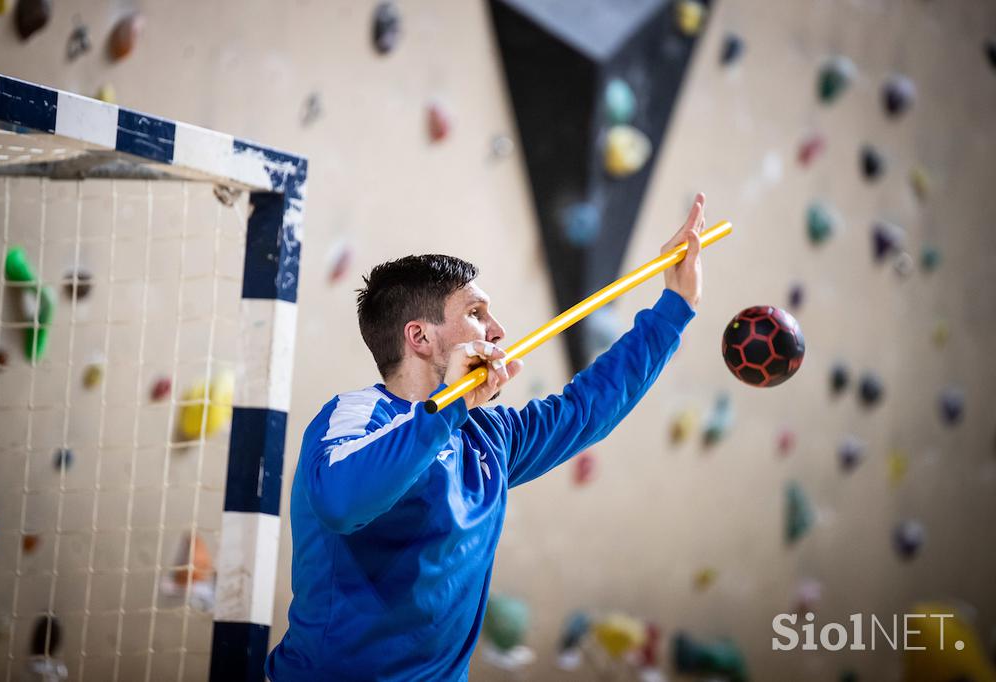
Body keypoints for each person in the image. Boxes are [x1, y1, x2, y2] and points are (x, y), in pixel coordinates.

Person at [266, 194, 707, 680]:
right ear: (420, 338)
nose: (497, 331)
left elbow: (588, 406)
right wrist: (448, 405)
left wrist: (675, 308)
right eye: (477, 313)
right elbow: (342, 503)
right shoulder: (353, 416)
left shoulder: (486, 436)